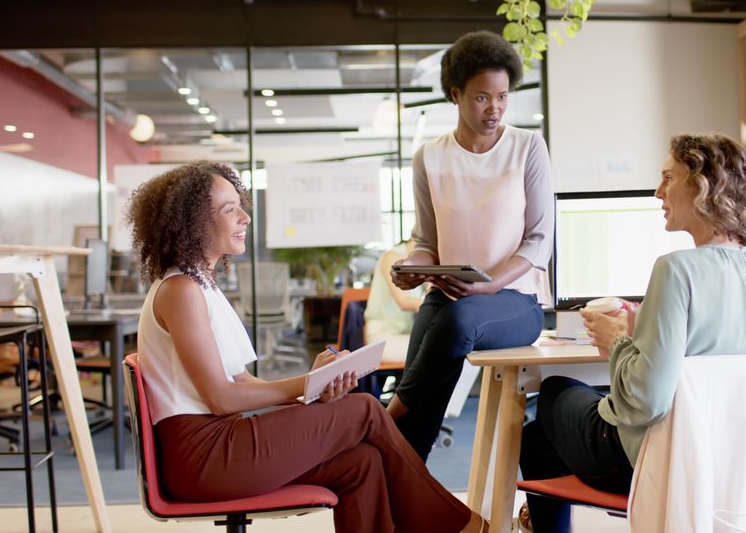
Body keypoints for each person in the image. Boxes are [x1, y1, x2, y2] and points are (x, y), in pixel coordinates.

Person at [126, 161, 487, 533]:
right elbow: (221, 398)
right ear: (193, 223)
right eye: (229, 210)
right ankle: (456, 525)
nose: (245, 217)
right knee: (363, 408)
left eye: (240, 206)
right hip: (205, 459)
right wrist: (305, 386)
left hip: (222, 446)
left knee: (362, 462)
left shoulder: (201, 287)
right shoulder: (180, 290)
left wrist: (313, 387)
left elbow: (241, 382)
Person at [517, 133, 746, 532]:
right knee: (536, 437)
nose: (659, 192)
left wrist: (617, 343)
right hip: (729, 467)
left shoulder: (675, 269)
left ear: (701, 184)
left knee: (555, 389)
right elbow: (709, 355)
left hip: (656, 461)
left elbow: (644, 402)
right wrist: (644, 326)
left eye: (668, 178)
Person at [389, 30, 554, 461]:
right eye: (482, 97)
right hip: (448, 299)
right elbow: (427, 241)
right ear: (454, 93)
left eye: (502, 96)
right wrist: (413, 268)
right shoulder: (430, 156)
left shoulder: (528, 147)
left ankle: (388, 412)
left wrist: (489, 284)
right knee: (415, 429)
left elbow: (539, 239)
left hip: (516, 301)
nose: (495, 108)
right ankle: (404, 494)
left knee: (455, 324)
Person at [364, 238, 424, 362]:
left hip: (405, 335)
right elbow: (403, 302)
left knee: (459, 348)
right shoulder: (392, 257)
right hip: (383, 338)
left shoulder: (423, 263)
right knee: (444, 349)